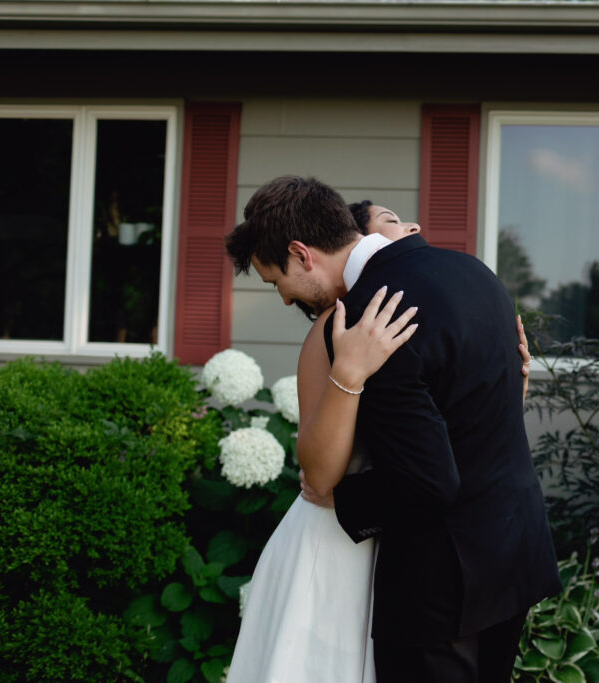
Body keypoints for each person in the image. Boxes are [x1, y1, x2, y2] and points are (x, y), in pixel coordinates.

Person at [224, 183, 551, 682]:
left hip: (441, 582)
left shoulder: (367, 318)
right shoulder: (474, 271)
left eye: (276, 282)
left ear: (300, 254)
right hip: (513, 552)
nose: (286, 298)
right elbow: (479, 417)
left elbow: (428, 483)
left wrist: (340, 499)